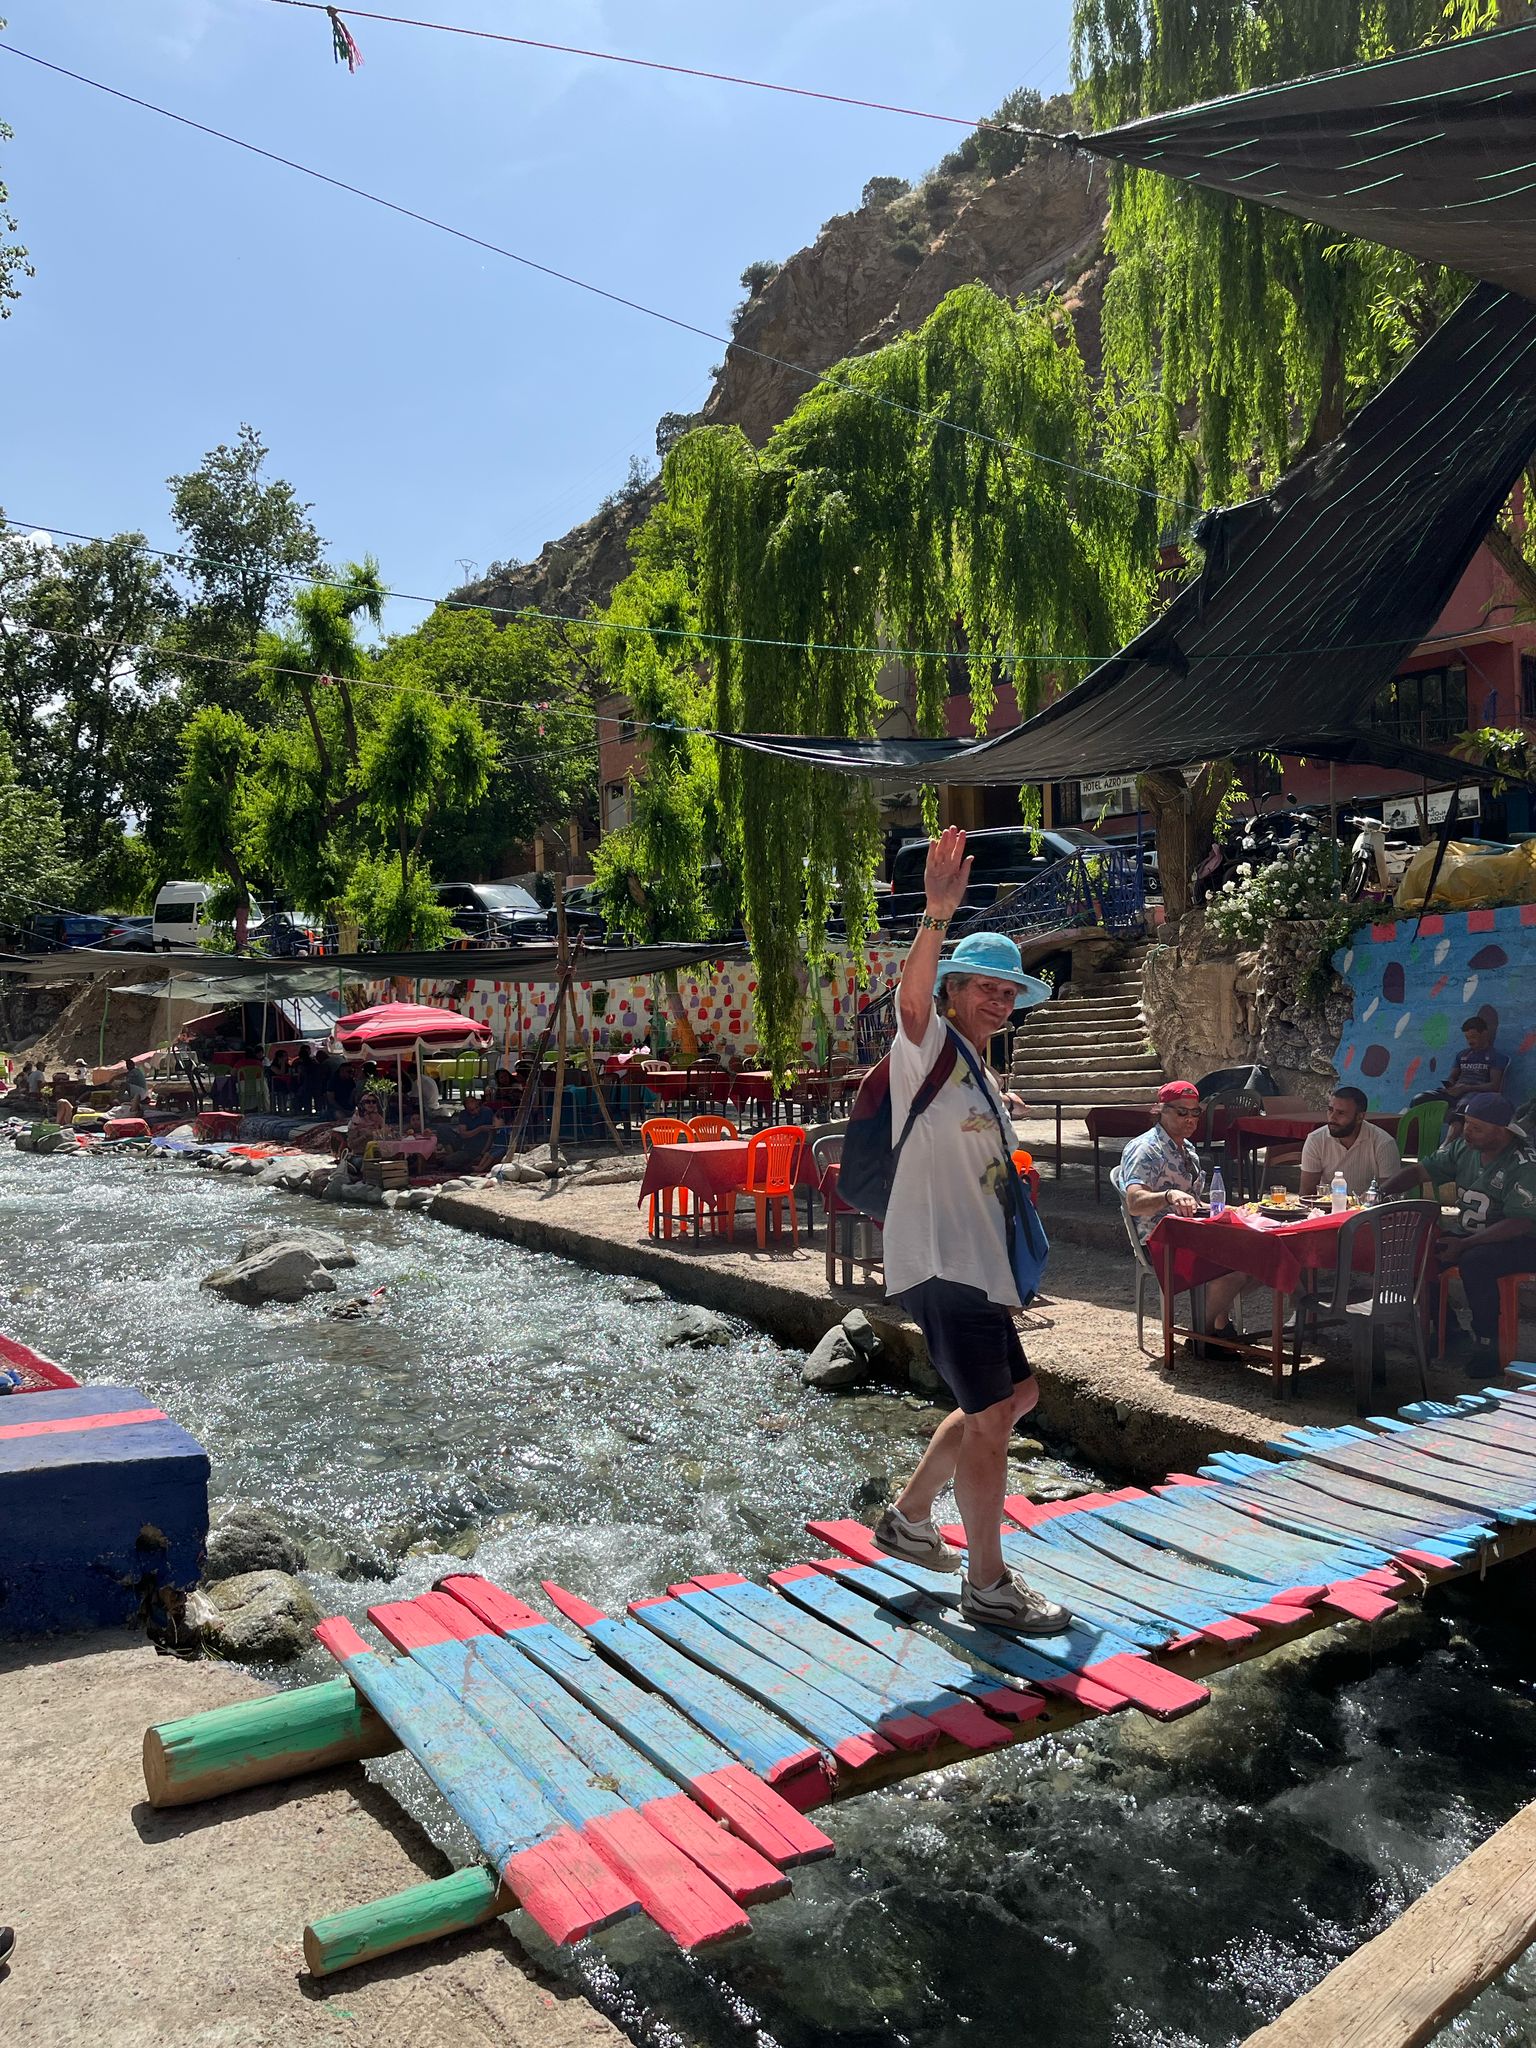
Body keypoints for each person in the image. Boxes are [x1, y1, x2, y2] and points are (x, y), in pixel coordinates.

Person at [870, 827, 1071, 1637]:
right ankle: (987, 1586)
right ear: (956, 990)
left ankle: (910, 1518)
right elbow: (909, 1002)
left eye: (1009, 989)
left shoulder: (980, 1069)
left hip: (976, 1266)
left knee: (1016, 1396)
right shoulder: (928, 1045)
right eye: (984, 986)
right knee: (991, 1418)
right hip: (943, 1261)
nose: (999, 998)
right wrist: (935, 915)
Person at [1381, 1093, 1536, 1376]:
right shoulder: (1463, 1149)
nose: (1467, 1131)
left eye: (1477, 1127)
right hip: (1472, 1234)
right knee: (1418, 1249)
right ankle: (1447, 1331)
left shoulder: (1524, 1163)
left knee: (1476, 1262)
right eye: (1466, 1123)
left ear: (1501, 1129)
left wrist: (1464, 1244)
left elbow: (1521, 1223)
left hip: (1522, 1241)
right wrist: (1380, 1194)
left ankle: (1488, 1347)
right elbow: (1419, 1171)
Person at [1113, 1080, 1249, 1351]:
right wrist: (1168, 1196)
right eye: (1181, 1112)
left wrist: (1223, 1208)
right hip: (1160, 1241)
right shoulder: (1146, 1149)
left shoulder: (1187, 1149)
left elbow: (1193, 1201)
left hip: (1193, 1234)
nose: (1190, 1119)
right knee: (1236, 1266)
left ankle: (1215, 1328)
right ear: (1161, 1110)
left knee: (1257, 1256)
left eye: (1195, 1112)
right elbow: (1134, 1202)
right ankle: (1203, 1335)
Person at [1298, 1086, 1402, 1199]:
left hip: (1370, 1212)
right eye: (1330, 1110)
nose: (1332, 1118)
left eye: (1341, 1113)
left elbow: (1390, 1195)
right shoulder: (1316, 1140)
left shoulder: (1383, 1143)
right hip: (1329, 1210)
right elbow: (1306, 1195)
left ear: (1359, 1117)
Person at [1412, 1016, 1509, 1107]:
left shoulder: (1496, 1056)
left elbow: (1494, 1086)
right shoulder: (1462, 1055)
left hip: (1476, 1095)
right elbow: (1452, 1076)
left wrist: (1466, 1088)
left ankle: (1456, 1122)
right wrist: (1449, 1085)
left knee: (1462, 1107)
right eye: (1467, 1038)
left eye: (1473, 1037)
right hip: (1456, 1092)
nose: (1470, 1041)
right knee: (1419, 1099)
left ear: (1484, 1034)